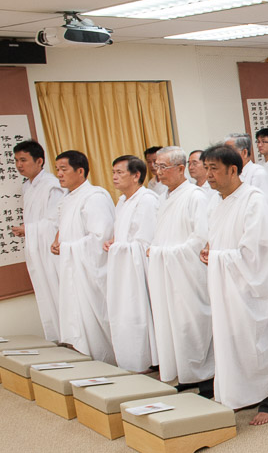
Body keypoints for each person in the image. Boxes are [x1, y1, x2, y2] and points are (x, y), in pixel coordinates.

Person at [200, 144, 268, 425]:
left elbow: (257, 250)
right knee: (231, 339)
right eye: (206, 168)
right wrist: (211, 250)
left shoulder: (253, 199)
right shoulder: (220, 201)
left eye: (214, 169)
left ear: (233, 170)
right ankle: (242, 394)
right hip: (227, 283)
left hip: (252, 285)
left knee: (258, 339)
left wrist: (218, 256)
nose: (208, 175)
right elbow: (220, 237)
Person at [148, 146, 214, 398]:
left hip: (188, 272)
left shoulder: (194, 196)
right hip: (168, 271)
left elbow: (200, 237)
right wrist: (157, 250)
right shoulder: (165, 197)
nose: (158, 172)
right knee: (174, 324)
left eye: (163, 167)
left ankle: (207, 378)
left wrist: (166, 253)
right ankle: (187, 375)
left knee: (193, 324)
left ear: (180, 168)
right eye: (156, 166)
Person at [51, 150, 115, 362]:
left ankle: (106, 359)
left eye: (64, 169)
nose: (59, 174)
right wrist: (59, 242)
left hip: (91, 270)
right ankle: (84, 356)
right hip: (74, 267)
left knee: (95, 315)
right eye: (57, 169)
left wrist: (68, 247)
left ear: (80, 171)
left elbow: (100, 236)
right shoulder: (68, 198)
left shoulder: (94, 196)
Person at [104, 155, 160, 372]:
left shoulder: (147, 199)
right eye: (113, 173)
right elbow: (125, 235)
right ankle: (132, 359)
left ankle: (150, 360)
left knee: (143, 313)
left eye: (120, 172)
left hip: (140, 268)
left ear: (136, 175)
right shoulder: (122, 201)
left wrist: (120, 246)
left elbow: (146, 240)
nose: (114, 177)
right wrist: (115, 242)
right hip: (123, 266)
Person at [12, 140, 64, 341]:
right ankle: (57, 338)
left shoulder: (52, 186)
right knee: (45, 293)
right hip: (36, 248)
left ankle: (70, 339)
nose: (19, 165)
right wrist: (28, 230)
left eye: (23, 160)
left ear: (39, 160)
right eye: (16, 160)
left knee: (58, 292)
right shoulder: (28, 187)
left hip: (51, 250)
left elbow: (57, 221)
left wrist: (30, 229)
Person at [225, 134, 268, 218]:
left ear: (244, 153)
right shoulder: (231, 175)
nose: (225, 157)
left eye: (230, 152)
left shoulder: (257, 173)